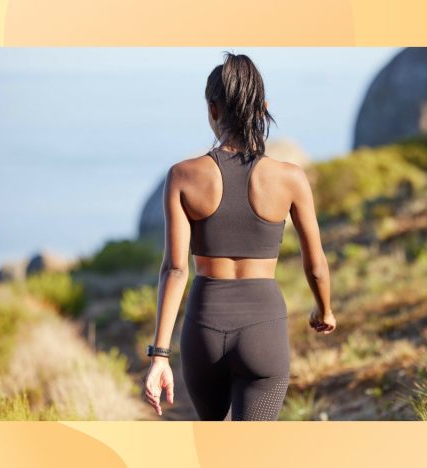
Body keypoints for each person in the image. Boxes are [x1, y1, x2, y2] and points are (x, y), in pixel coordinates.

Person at [143, 52, 336, 421]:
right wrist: (323, 309)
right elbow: (316, 266)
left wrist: (159, 356)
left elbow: (175, 270)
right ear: (263, 108)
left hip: (203, 329)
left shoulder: (183, 176)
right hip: (263, 328)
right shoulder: (290, 178)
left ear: (212, 110)